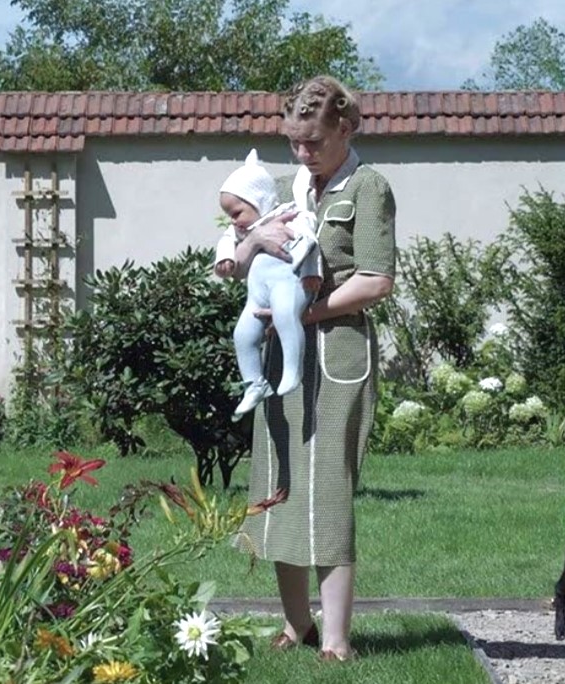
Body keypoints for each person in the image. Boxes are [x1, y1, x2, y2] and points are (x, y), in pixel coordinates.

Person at [218, 75, 397, 662]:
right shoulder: (290, 190)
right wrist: (247, 249)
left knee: (329, 489)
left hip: (339, 352)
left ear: (345, 128)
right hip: (281, 353)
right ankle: (297, 625)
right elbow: (240, 260)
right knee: (282, 485)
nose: (302, 154)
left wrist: (307, 310)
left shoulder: (369, 189)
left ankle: (338, 639)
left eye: (313, 142)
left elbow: (375, 280)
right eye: (294, 143)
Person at [214, 149, 322, 421]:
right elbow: (226, 241)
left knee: (286, 316)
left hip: (288, 281)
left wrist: (311, 272)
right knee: (243, 334)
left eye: (237, 212)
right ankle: (254, 383)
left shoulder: (289, 213)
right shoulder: (241, 231)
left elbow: (310, 242)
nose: (233, 221)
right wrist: (225, 258)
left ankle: (292, 370)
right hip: (258, 291)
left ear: (258, 199)